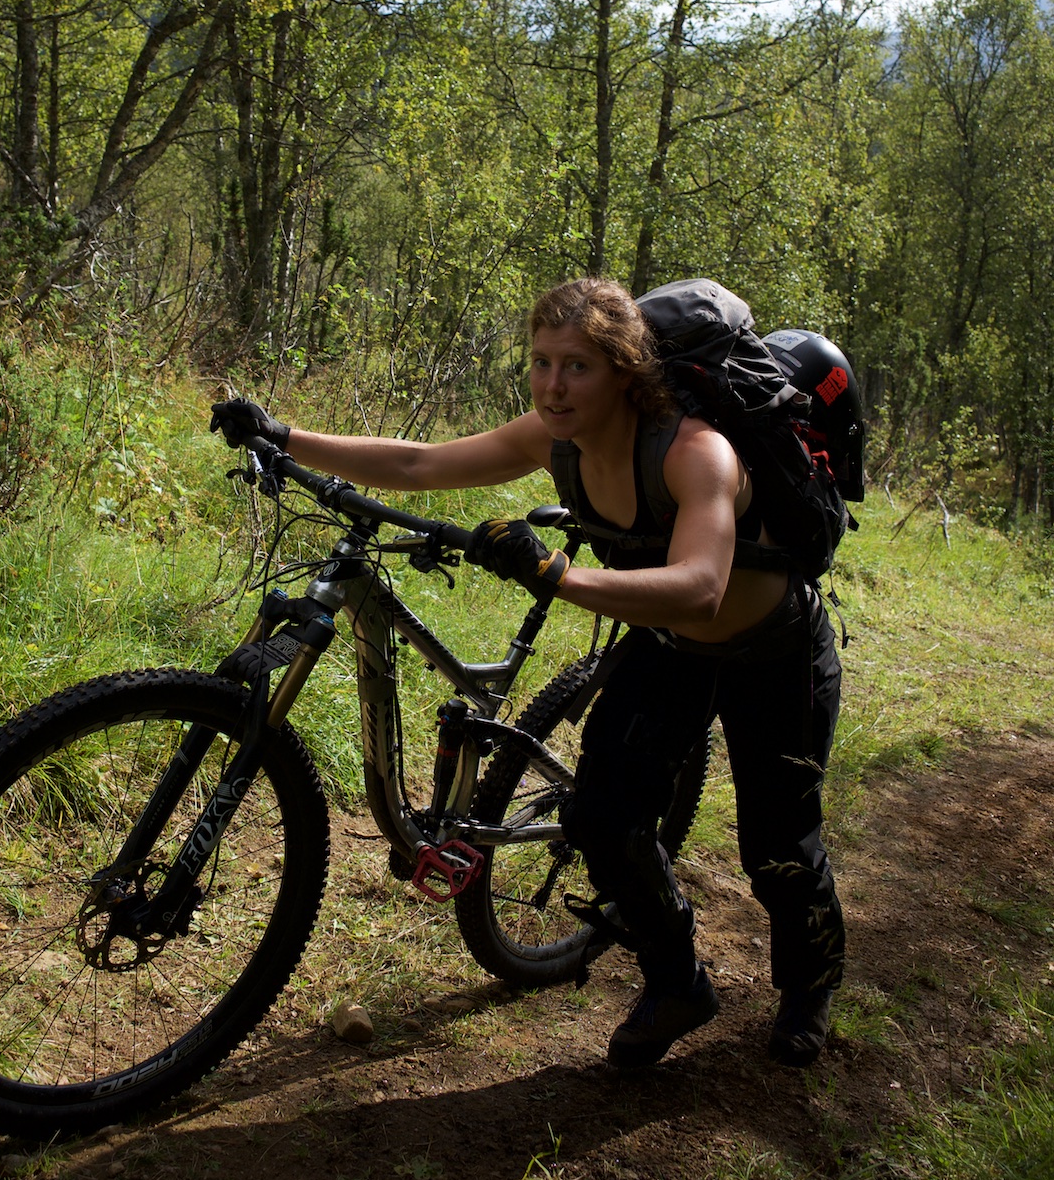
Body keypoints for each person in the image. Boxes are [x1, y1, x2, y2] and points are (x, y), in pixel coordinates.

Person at [211, 276, 844, 1072]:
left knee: (776, 848)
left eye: (577, 366)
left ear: (625, 371)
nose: (553, 386)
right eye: (541, 362)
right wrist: (285, 435)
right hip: (670, 649)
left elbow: (699, 587)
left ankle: (809, 988)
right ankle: (676, 983)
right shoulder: (554, 439)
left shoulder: (696, 453)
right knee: (600, 820)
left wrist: (557, 574)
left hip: (773, 655)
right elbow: (419, 462)